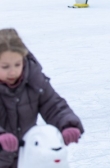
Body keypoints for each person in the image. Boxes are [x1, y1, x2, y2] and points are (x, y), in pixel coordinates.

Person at [0, 28, 84, 168]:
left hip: (25, 157)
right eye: (5, 66)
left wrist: (68, 124)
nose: (13, 71)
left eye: (17, 64)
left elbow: (53, 104)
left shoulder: (33, 80)